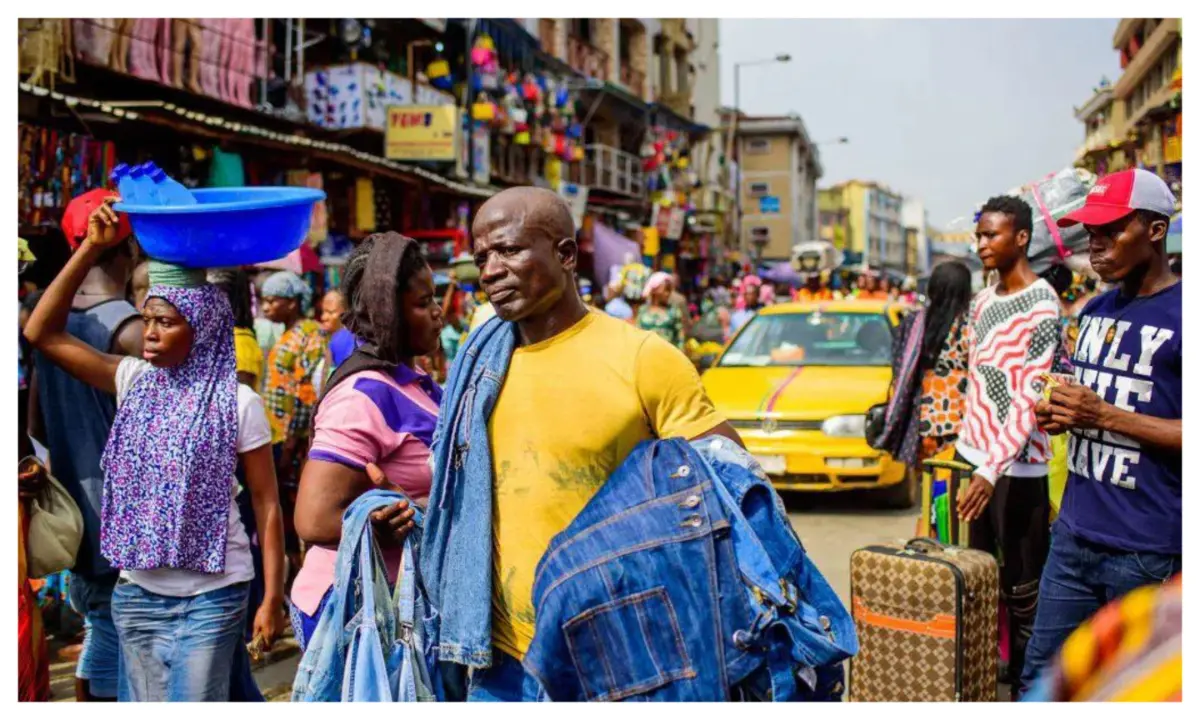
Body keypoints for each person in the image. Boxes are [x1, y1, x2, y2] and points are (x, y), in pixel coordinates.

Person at [436, 186, 741, 701]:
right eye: (482, 257)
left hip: (618, 654)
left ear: (566, 255)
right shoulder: (480, 368)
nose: (490, 271)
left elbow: (731, 486)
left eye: (508, 250)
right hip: (502, 661)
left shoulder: (643, 359)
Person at [23, 198, 287, 702]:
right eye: (147, 319)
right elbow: (40, 332)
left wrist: (272, 596)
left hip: (213, 596)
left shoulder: (239, 403)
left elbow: (266, 503)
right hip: (136, 594)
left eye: (165, 322)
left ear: (202, 328)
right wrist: (88, 250)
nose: (149, 332)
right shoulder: (133, 380)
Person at [1020, 169, 1182, 697]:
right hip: (1073, 535)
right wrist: (1060, 413)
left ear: (1155, 230)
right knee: (1043, 680)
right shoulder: (1095, 310)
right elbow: (1089, 404)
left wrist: (1103, 416)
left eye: (1112, 230)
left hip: (1148, 550)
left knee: (1131, 691)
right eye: (1090, 232)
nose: (1096, 244)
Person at [291, 232, 442, 650]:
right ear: (388, 313)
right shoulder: (363, 395)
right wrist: (382, 523)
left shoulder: (417, 383)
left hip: (395, 604)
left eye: (434, 298)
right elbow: (312, 519)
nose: (437, 312)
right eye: (423, 303)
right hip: (354, 609)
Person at [26, 190, 143, 702]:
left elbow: (36, 426)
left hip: (72, 506)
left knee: (100, 625)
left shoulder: (47, 319)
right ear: (131, 249)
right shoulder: (132, 328)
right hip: (123, 513)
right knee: (119, 634)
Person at [954, 195, 1061, 697]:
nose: (982, 244)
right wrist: (968, 452)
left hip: (1016, 471)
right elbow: (977, 381)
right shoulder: (982, 301)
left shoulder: (1043, 305)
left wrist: (990, 469)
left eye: (991, 235)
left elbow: (1028, 397)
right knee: (976, 579)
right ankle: (980, 678)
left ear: (1021, 238)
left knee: (1023, 588)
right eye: (979, 235)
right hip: (973, 458)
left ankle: (1026, 687)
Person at [260, 270, 326, 573]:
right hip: (277, 436)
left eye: (272, 301)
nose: (266, 307)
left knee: (296, 504)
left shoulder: (310, 334)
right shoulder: (288, 334)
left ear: (292, 302)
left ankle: (304, 572)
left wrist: (290, 442)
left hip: (294, 442)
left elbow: (306, 392)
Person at [879, 260, 973, 467]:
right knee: (957, 477)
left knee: (930, 476)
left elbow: (899, 365)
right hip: (962, 415)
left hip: (923, 416)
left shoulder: (915, 322)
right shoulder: (970, 323)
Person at [636, 271, 685, 349]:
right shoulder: (643, 310)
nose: (667, 293)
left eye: (669, 290)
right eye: (666, 290)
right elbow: (637, 334)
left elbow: (680, 339)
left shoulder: (674, 312)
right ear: (654, 290)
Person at [320, 289, 356, 370]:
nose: (323, 317)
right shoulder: (323, 337)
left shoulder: (342, 341)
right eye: (323, 311)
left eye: (330, 312)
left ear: (345, 313)